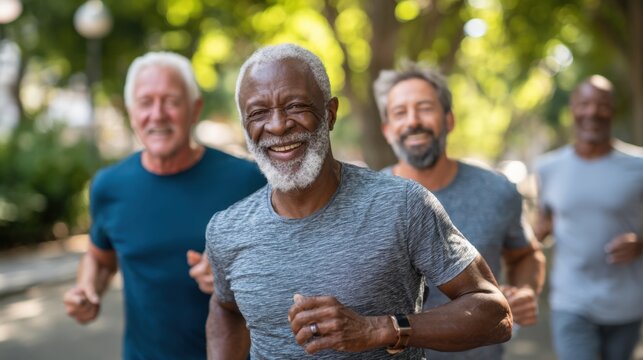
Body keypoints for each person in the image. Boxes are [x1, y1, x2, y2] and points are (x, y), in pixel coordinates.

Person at [205, 43, 512, 359]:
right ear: (245, 127)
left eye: (296, 106)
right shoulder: (227, 230)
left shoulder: (402, 205)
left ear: (330, 113)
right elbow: (225, 307)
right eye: (258, 113)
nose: (278, 125)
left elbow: (495, 313)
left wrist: (381, 329)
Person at [62, 51, 266, 359]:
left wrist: (235, 277)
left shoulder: (249, 181)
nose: (157, 114)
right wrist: (87, 289)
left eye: (171, 101)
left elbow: (290, 264)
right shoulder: (109, 186)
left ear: (195, 109)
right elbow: (100, 258)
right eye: (145, 102)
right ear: (131, 112)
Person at [373, 63, 546, 360]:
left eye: (425, 108)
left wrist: (524, 289)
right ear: (387, 130)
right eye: (400, 112)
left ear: (449, 120)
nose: (413, 121)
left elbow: (526, 254)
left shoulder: (497, 191)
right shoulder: (367, 201)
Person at [534, 75, 643, 360]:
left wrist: (641, 243)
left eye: (602, 105)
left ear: (613, 110)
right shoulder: (548, 167)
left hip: (626, 304)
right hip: (571, 301)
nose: (592, 112)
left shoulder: (638, 166)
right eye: (585, 104)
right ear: (573, 109)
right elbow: (541, 224)